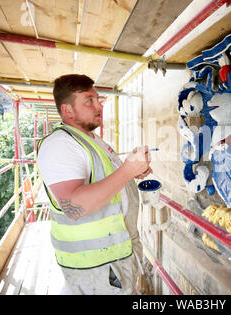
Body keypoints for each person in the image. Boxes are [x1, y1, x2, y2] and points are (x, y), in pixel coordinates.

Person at [37, 74, 152, 294]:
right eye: (89, 100)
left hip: (112, 259)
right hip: (96, 268)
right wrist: (127, 170)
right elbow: (73, 207)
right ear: (67, 110)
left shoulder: (90, 139)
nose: (99, 105)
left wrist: (132, 172)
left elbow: (106, 181)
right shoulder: (60, 145)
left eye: (97, 98)